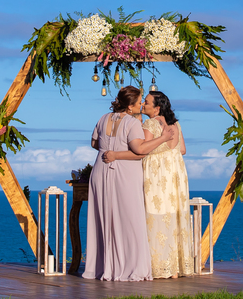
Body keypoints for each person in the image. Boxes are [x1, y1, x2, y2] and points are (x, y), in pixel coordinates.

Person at [83, 85, 176, 281]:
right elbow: (139, 150)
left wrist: (110, 149)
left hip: (100, 171)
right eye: (139, 102)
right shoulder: (132, 123)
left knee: (104, 220)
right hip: (124, 173)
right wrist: (163, 138)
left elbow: (94, 143)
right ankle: (130, 267)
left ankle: (103, 267)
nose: (141, 105)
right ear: (130, 106)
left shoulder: (103, 118)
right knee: (131, 221)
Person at [102, 90, 195, 278]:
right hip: (176, 173)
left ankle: (158, 265)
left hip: (157, 173)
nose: (143, 104)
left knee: (154, 215)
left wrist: (117, 154)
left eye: (146, 102)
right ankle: (175, 268)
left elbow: (142, 149)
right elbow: (182, 150)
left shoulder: (150, 124)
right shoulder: (175, 124)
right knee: (173, 215)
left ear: (157, 108)